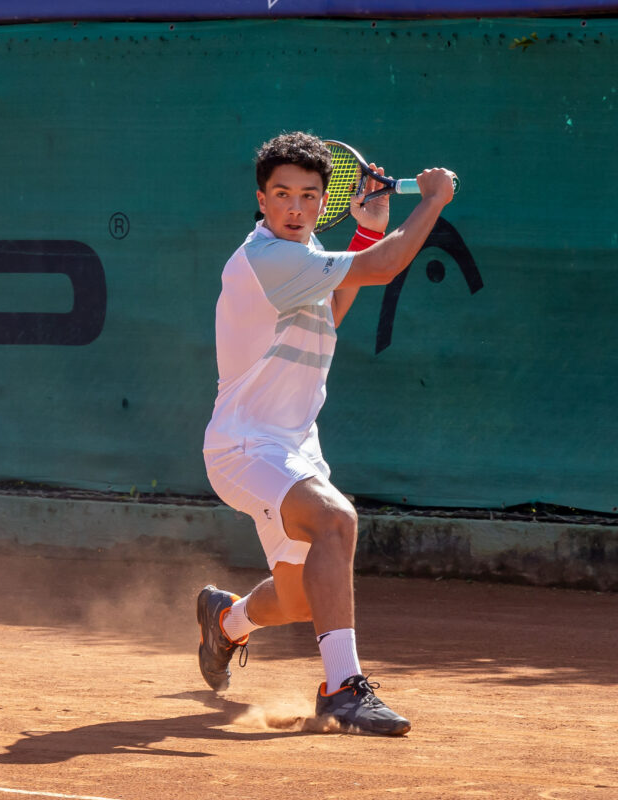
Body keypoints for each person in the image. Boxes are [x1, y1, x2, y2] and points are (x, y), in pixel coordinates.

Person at [199, 131, 456, 736]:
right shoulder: (265, 260)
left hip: (293, 446)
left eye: (308, 196)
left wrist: (367, 232)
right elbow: (385, 268)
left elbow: (332, 312)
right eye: (282, 194)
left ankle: (226, 621)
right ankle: (343, 689)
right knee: (337, 520)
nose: (295, 207)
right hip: (243, 447)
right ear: (261, 200)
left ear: (323, 201)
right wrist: (433, 200)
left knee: (299, 599)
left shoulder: (306, 252)